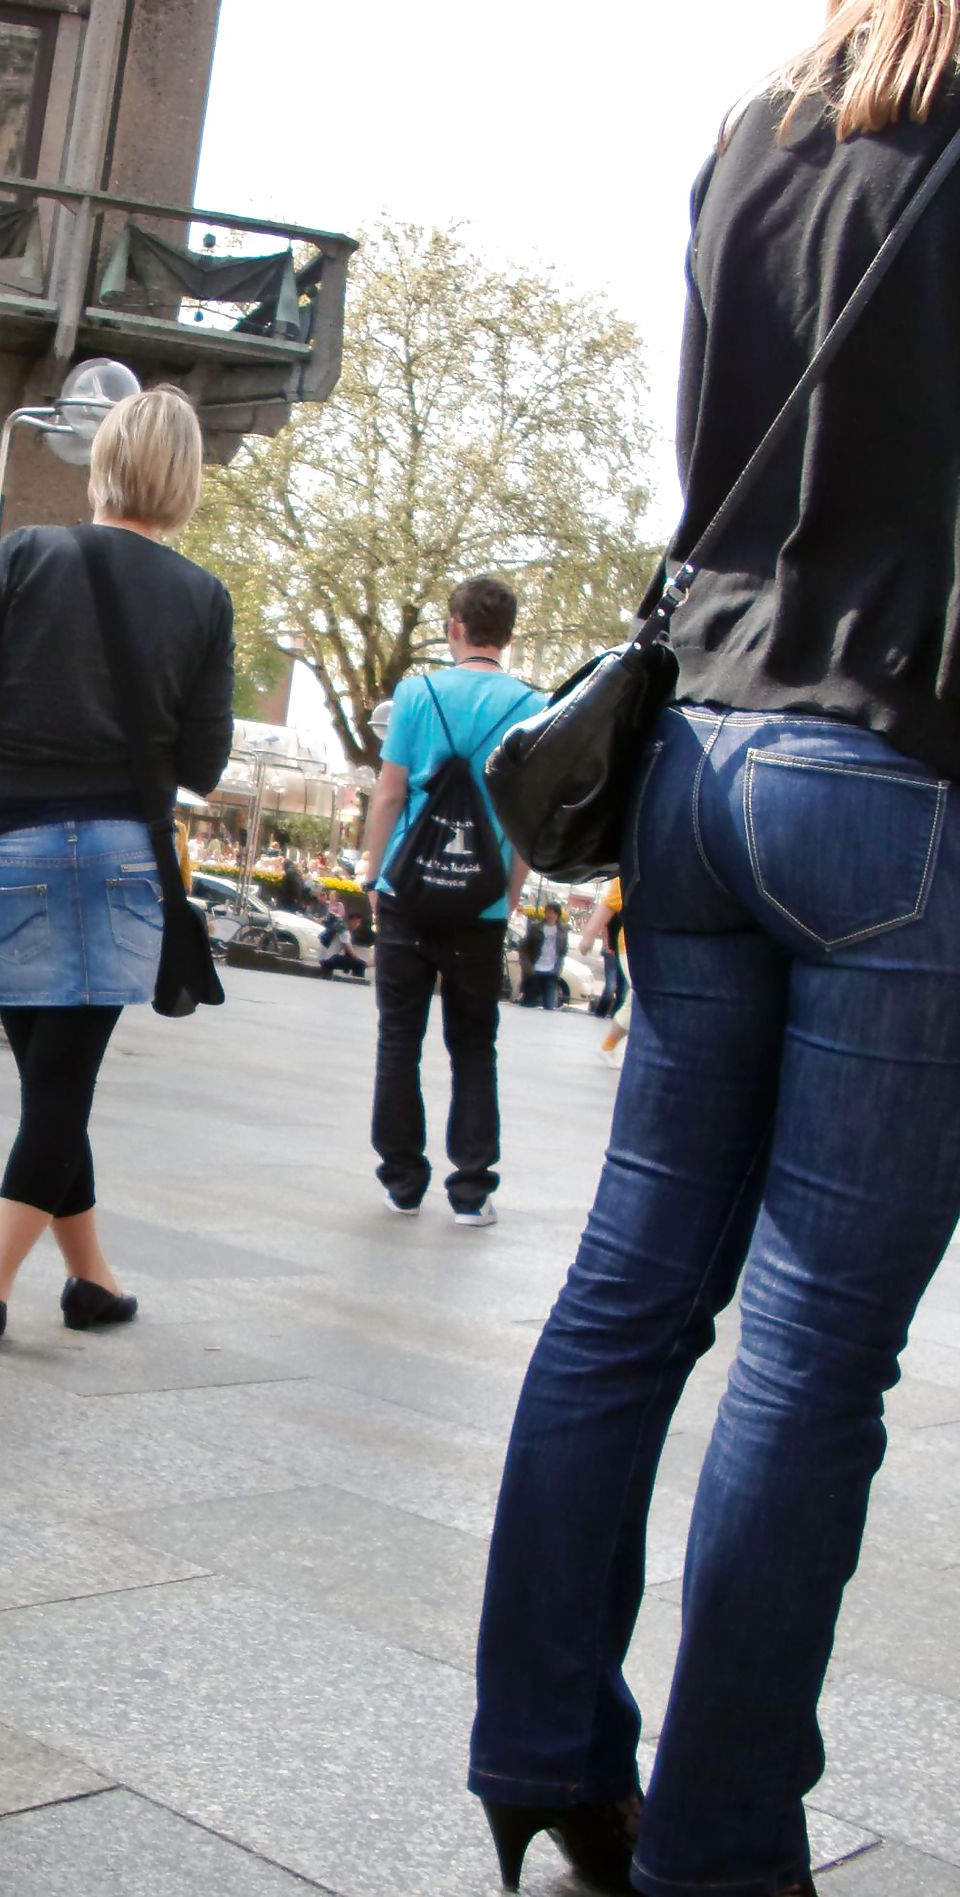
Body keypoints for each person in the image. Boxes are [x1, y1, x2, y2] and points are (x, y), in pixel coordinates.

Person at [469, 9, 960, 1897]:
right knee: (817, 1354)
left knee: (628, 1287)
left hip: (702, 757)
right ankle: (726, 1841)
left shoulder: (753, 130)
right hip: (901, 771)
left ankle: (540, 1751)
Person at [0, 386, 234, 1351]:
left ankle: (91, 1278)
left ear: (102, 460)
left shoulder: (25, 554)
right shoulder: (203, 597)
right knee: (62, 1085)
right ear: (187, 480)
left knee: (50, 1082)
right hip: (123, 850)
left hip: (6, 841)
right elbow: (202, 763)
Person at [364, 575, 546, 1225]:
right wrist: (511, 886)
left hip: (408, 893)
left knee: (398, 1037)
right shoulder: (535, 705)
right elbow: (530, 817)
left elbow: (389, 795)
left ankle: (402, 1180)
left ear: (454, 627)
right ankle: (471, 1189)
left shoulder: (416, 694)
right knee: (474, 1044)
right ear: (508, 635)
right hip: (481, 904)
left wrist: (371, 872)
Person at [580, 877, 631, 1063]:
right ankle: (609, 1046)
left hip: (664, 945)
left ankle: (610, 1045)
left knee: (640, 1000)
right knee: (638, 998)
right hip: (633, 945)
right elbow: (609, 903)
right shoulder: (637, 862)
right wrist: (589, 934)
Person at [518, 903, 568, 1010]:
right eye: (549, 911)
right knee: (528, 1003)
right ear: (545, 912)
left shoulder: (562, 930)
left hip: (551, 971)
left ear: (558, 915)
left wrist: (558, 967)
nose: (551, 915)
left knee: (549, 1005)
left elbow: (563, 951)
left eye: (554, 912)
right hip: (535, 969)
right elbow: (525, 947)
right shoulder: (536, 927)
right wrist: (527, 966)